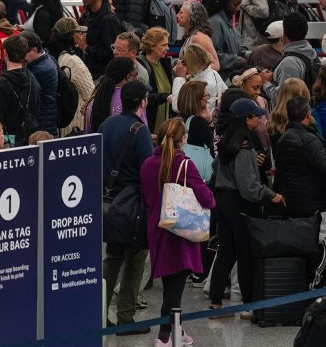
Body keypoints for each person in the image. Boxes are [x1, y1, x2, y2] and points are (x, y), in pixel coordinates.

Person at [141, 117, 214, 347]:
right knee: (175, 288)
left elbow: (146, 197)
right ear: (183, 138)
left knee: (170, 284)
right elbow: (208, 199)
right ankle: (164, 336)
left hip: (158, 229)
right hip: (182, 232)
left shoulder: (147, 164)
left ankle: (178, 329)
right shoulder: (184, 164)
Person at [208, 99, 285, 314]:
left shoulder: (226, 142)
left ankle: (215, 301)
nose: (259, 118)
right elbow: (249, 188)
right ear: (246, 120)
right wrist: (272, 195)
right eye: (255, 116)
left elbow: (216, 167)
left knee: (226, 251)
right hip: (240, 204)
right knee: (245, 254)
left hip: (223, 201)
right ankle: (248, 304)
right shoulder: (244, 147)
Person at [100, 80, 154, 333]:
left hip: (108, 202)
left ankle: (99, 312)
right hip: (132, 205)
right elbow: (147, 169)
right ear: (142, 101)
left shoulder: (107, 124)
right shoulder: (139, 129)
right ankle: (125, 317)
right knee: (135, 260)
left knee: (111, 258)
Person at [272, 96, 326, 218]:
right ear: (308, 115)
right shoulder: (310, 140)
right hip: (311, 201)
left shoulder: (282, 139)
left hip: (288, 201)